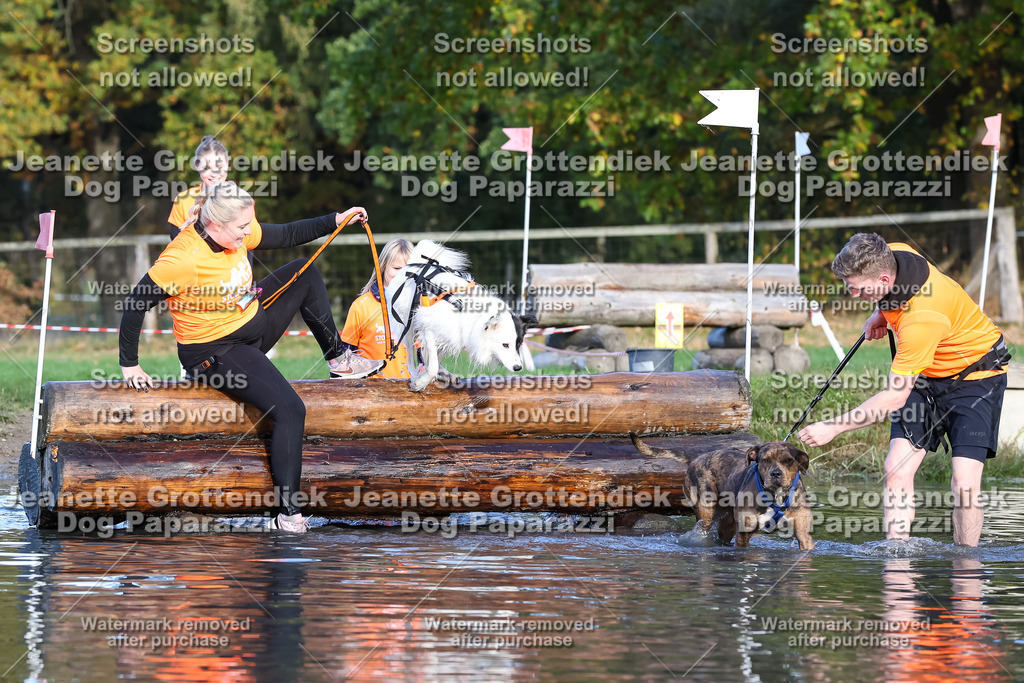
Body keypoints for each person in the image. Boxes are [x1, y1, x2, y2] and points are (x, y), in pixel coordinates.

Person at [118, 183, 383, 532]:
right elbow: (137, 303)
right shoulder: (182, 258)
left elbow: (287, 233)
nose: (249, 232)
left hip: (252, 323)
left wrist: (335, 219)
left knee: (305, 272)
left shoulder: (234, 231)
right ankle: (288, 515)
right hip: (216, 352)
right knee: (290, 408)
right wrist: (130, 363)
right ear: (214, 225)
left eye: (249, 225)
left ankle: (338, 358)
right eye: (243, 227)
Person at [800, 233, 1009, 547]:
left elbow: (894, 396)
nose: (852, 294)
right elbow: (890, 291)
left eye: (856, 287)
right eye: (848, 285)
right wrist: (880, 314)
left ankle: (966, 567)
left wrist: (833, 426)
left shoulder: (922, 317)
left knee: (964, 483)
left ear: (883, 279)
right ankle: (897, 560)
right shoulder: (891, 253)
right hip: (925, 375)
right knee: (896, 468)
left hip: (976, 377)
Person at [340, 238, 414, 379]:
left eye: (407, 270)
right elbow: (346, 356)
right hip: (370, 392)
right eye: (397, 268)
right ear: (383, 267)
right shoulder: (361, 306)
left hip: (407, 390)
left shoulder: (415, 308)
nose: (401, 275)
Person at [166, 136, 258, 238]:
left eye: (219, 167)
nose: (214, 174)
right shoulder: (183, 200)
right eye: (207, 168)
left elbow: (251, 240)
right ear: (197, 166)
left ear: (227, 163)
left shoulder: (241, 199)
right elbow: (177, 242)